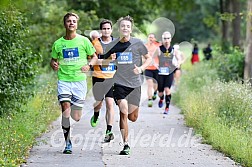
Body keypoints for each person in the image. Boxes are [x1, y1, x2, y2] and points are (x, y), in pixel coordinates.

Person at [103, 15, 152, 155]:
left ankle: (127, 137)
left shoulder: (137, 43)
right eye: (123, 26)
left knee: (132, 117)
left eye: (128, 26)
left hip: (135, 84)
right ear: (119, 28)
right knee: (123, 111)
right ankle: (126, 144)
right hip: (119, 83)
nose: (125, 28)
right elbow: (104, 64)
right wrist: (109, 60)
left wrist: (141, 69)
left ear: (131, 29)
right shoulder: (113, 45)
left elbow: (148, 59)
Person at [50, 12, 97, 154]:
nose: (71, 23)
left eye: (74, 21)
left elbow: (94, 57)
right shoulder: (58, 44)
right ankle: (68, 142)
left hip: (79, 82)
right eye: (69, 21)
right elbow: (53, 60)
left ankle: (72, 119)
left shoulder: (83, 41)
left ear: (77, 24)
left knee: (76, 117)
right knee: (65, 109)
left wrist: (89, 65)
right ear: (65, 24)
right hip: (64, 80)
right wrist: (54, 64)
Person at [90, 19, 116, 143]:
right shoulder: (95, 43)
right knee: (99, 103)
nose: (106, 31)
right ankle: (96, 115)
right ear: (101, 30)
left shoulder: (117, 43)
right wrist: (104, 61)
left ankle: (109, 130)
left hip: (111, 77)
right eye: (104, 29)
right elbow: (92, 60)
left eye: (108, 28)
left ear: (111, 30)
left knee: (110, 103)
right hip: (98, 76)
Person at [157, 31, 184, 114]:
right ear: (162, 39)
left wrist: (178, 64)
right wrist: (155, 65)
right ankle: (161, 98)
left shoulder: (173, 50)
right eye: (165, 38)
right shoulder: (159, 49)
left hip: (170, 72)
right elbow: (151, 58)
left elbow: (179, 59)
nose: (166, 40)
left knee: (167, 89)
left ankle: (167, 108)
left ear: (170, 39)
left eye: (168, 38)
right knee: (160, 92)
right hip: (161, 72)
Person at [144, 33, 159, 107]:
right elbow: (142, 57)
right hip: (148, 69)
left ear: (154, 39)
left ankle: (155, 92)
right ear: (148, 38)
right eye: (150, 37)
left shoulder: (157, 47)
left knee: (155, 85)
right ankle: (149, 100)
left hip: (156, 68)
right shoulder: (145, 47)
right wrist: (145, 63)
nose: (151, 39)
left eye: (152, 37)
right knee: (149, 85)